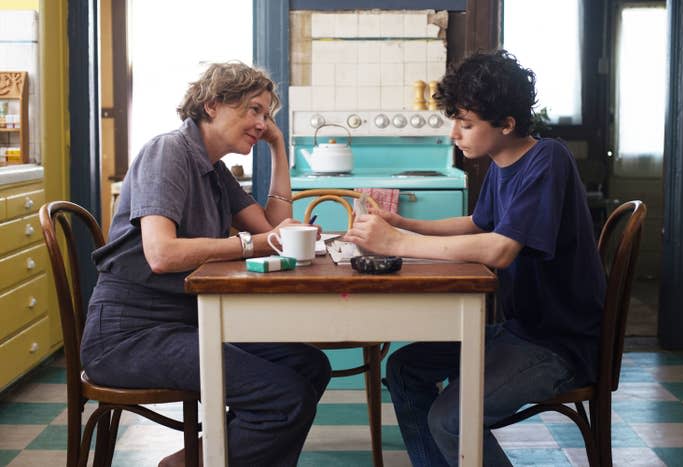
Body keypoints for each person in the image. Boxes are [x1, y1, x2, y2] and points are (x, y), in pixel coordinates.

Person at [344, 50, 606, 466]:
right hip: (520, 330)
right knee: (403, 371)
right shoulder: (503, 164)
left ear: (506, 124)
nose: (454, 134)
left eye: (466, 124)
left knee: (450, 421)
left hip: (560, 345)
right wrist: (403, 224)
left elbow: (500, 248)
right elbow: (479, 224)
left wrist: (396, 243)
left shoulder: (547, 159)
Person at [81, 62, 331, 467]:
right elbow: (162, 254)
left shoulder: (213, 170)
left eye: (266, 115)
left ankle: (197, 458)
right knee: (284, 398)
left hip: (184, 323)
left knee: (310, 366)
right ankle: (190, 464)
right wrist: (257, 242)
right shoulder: (169, 152)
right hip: (130, 335)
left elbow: (269, 229)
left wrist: (279, 147)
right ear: (213, 105)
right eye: (253, 110)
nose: (261, 123)